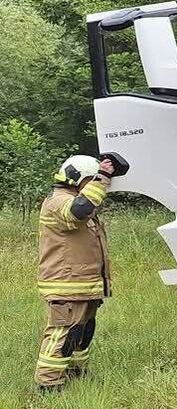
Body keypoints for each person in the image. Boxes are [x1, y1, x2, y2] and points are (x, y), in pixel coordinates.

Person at [35, 155, 115, 391]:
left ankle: (76, 372)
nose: (94, 186)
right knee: (63, 331)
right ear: (80, 179)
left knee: (83, 331)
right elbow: (79, 212)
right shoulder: (58, 202)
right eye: (90, 180)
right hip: (66, 283)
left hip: (83, 283)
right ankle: (49, 383)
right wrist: (102, 178)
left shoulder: (73, 197)